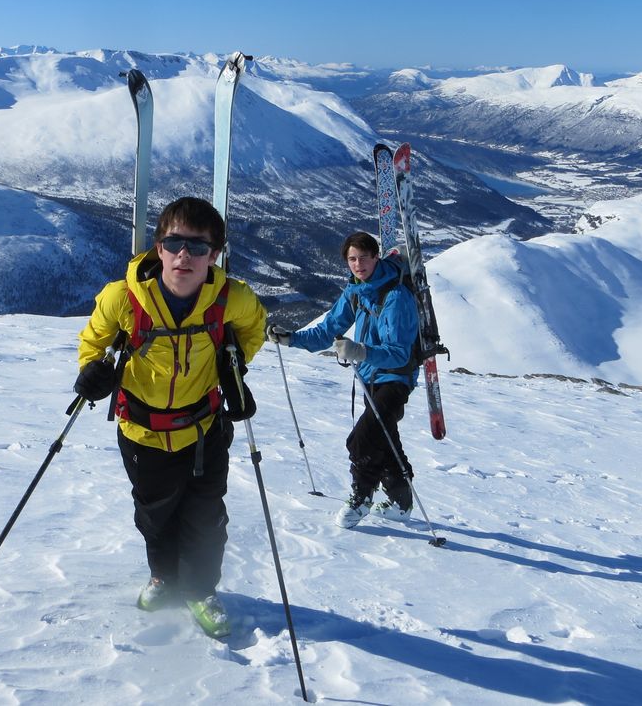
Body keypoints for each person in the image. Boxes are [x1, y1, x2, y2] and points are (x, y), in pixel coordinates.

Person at [75, 196, 266, 638]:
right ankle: (163, 574)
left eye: (198, 247)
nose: (185, 255)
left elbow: (253, 328)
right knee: (154, 513)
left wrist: (233, 365)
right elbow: (93, 340)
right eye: (174, 242)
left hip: (203, 429)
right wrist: (93, 371)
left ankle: (201, 589)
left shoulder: (230, 299)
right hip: (142, 431)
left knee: (205, 515)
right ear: (158, 247)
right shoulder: (123, 299)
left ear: (214, 254)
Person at [267, 231, 419, 528]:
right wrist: (292, 339)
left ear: (377, 257)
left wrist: (360, 351)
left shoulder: (397, 296)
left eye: (364, 257)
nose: (358, 264)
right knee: (385, 439)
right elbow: (328, 329)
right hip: (369, 375)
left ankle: (362, 498)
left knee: (361, 441)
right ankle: (401, 503)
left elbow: (399, 354)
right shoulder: (356, 291)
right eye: (352, 259)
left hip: (395, 378)